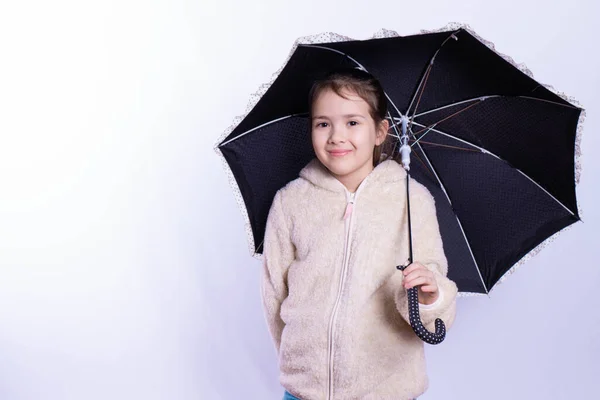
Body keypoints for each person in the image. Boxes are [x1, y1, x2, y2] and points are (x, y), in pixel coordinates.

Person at [261, 67, 458, 400]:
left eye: (352, 122)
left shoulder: (412, 201)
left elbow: (433, 292)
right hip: (304, 391)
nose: (337, 135)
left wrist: (429, 296)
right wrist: (300, 367)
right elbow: (274, 296)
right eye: (323, 123)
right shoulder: (291, 201)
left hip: (385, 390)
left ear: (380, 131)